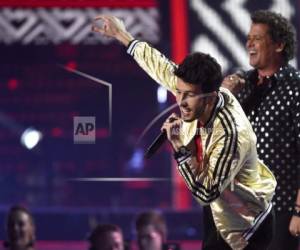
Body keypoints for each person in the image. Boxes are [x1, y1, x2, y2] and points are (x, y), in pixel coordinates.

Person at [92, 16, 276, 249]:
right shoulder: (197, 93)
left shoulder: (231, 134)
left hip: (248, 224)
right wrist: (122, 35)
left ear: (210, 97)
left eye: (189, 95)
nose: (181, 101)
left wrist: (179, 146)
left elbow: (206, 192)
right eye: (179, 92)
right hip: (221, 209)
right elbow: (161, 67)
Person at [222, 10, 300, 250]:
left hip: (282, 209)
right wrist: (225, 99)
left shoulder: (295, 88)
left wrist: (299, 211)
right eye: (248, 38)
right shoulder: (240, 86)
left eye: (257, 38)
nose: (249, 43)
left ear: (279, 45)